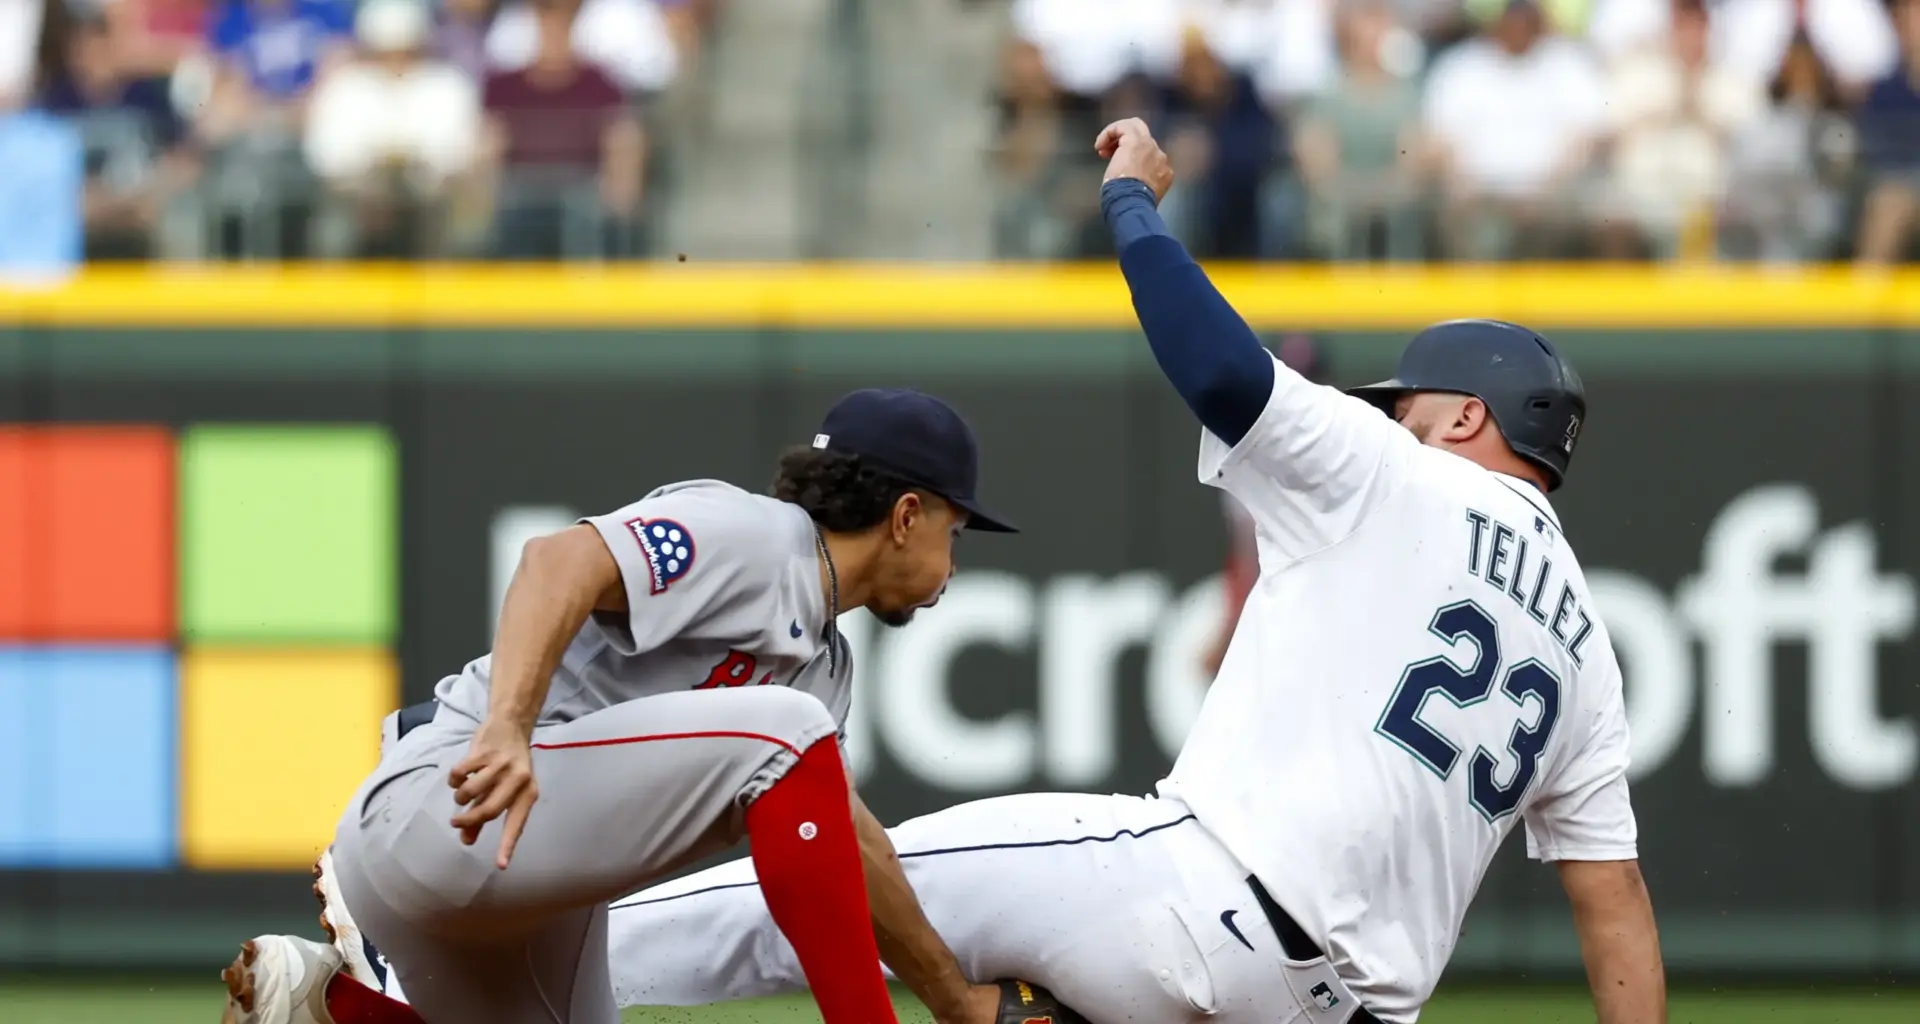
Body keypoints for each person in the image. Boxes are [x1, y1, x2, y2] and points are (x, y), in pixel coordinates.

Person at [288, 119, 1666, 1024]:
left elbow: (1225, 368)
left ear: (1471, 419)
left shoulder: (1402, 473)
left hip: (1191, 896)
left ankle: (387, 973)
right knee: (814, 829)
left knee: (787, 882)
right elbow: (1612, 907)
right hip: (1347, 1009)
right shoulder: (1587, 648)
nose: (1396, 410)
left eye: (1415, 397)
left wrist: (1130, 206)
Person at [218, 388, 1072, 1024]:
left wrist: (955, 1000)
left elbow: (845, 848)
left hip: (535, 895)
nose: (953, 563)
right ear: (906, 514)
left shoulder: (825, 666)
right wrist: (509, 724)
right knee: (786, 730)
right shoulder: (759, 537)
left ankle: (320, 1004)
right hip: (459, 806)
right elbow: (556, 562)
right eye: (954, 534)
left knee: (793, 740)